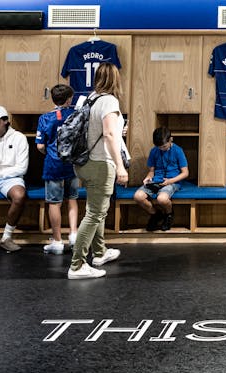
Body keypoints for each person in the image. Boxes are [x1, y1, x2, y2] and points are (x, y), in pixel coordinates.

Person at [67, 62, 128, 279]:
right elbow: (110, 135)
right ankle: (77, 265)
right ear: (115, 79)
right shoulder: (110, 101)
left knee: (97, 211)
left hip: (83, 163)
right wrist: (120, 166)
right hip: (100, 163)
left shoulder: (90, 98)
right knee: (94, 214)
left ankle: (99, 253)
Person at [36, 84, 80, 254]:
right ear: (69, 99)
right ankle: (74, 235)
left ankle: (57, 241)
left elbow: (40, 145)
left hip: (53, 163)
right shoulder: (76, 115)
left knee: (54, 202)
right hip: (73, 163)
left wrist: (50, 151)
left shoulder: (45, 118)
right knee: (73, 198)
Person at [0, 105, 29, 253]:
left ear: (5, 121)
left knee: (19, 196)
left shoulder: (19, 138)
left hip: (11, 178)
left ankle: (6, 238)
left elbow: (22, 168)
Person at [133, 127, 188, 231]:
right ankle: (155, 214)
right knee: (138, 196)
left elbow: (185, 173)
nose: (161, 149)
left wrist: (170, 181)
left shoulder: (178, 151)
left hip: (172, 181)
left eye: (164, 146)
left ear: (170, 139)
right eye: (159, 147)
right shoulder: (154, 151)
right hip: (156, 181)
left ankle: (169, 215)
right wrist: (148, 178)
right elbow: (151, 171)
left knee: (161, 199)